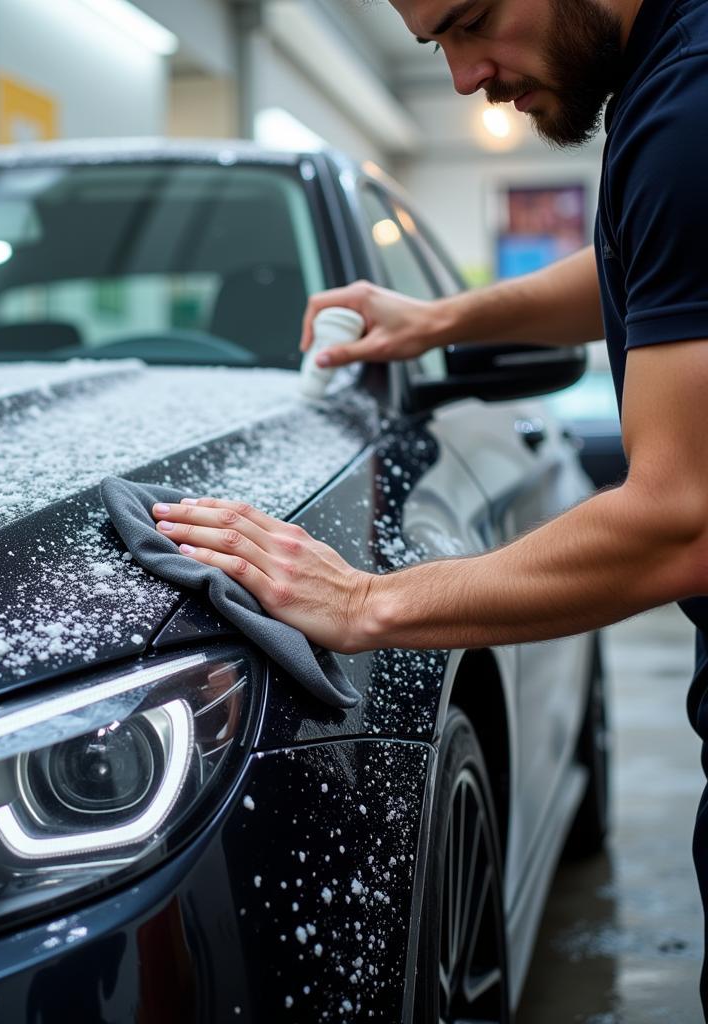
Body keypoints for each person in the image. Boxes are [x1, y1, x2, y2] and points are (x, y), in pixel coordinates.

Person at [149, 0, 708, 1013]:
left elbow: (685, 521)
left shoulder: (689, 111)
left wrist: (366, 604)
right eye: (434, 44)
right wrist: (442, 319)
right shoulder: (670, 85)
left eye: (471, 21)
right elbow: (648, 261)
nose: (462, 78)